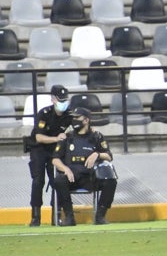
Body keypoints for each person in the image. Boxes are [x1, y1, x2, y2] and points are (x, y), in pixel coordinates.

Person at [51, 107, 117, 226]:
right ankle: (69, 217)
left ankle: (100, 216)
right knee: (59, 180)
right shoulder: (67, 137)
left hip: (90, 177)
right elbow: (55, 160)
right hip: (73, 176)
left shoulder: (96, 136)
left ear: (86, 120)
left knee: (111, 181)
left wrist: (97, 154)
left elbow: (109, 156)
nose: (74, 120)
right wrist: (65, 169)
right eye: (73, 117)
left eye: (77, 118)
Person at [27, 84, 72, 226]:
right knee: (38, 181)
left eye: (65, 100)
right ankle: (35, 216)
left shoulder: (69, 115)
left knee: (57, 181)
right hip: (39, 149)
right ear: (53, 99)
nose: (63, 103)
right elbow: (39, 138)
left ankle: (56, 215)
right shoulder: (44, 114)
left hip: (56, 150)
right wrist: (56, 138)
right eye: (60, 100)